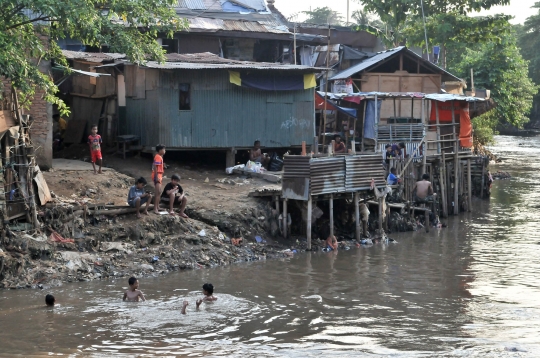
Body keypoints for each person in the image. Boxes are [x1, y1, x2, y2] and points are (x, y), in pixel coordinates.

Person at [152, 144, 166, 214]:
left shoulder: (160, 156)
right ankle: (155, 209)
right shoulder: (158, 157)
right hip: (157, 175)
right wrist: (157, 176)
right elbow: (155, 167)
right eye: (163, 149)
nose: (165, 151)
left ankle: (157, 206)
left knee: (159, 192)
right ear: (160, 150)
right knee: (157, 192)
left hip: (159, 175)